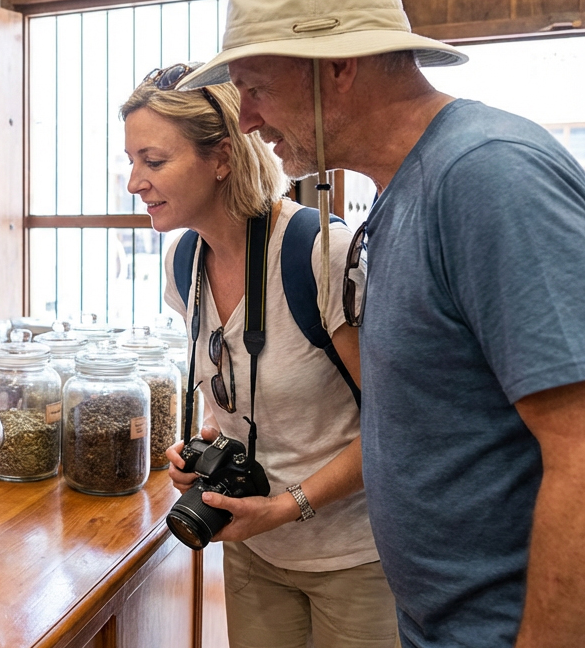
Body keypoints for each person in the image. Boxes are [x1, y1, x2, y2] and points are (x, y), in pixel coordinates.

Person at [175, 0, 585, 648]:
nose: (247, 119)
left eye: (255, 86)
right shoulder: (403, 190)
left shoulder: (486, 176)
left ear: (337, 67)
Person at [122, 74, 399, 647]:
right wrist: (201, 448)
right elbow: (235, 390)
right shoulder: (184, 262)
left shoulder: (319, 253)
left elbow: (396, 424)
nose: (133, 183)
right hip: (250, 549)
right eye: (130, 161)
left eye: (152, 160)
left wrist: (286, 506)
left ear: (221, 158)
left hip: (353, 560)